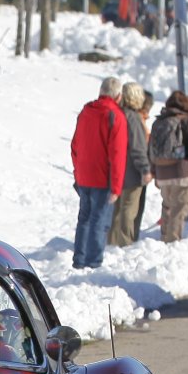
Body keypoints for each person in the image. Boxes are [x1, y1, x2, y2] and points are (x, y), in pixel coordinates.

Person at [70, 75, 128, 270]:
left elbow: (75, 145)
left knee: (84, 219)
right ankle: (93, 262)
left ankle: (80, 260)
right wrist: (117, 186)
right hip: (103, 178)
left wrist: (78, 171)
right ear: (118, 96)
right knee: (99, 221)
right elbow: (117, 154)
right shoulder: (115, 116)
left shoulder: (86, 111)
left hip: (84, 175)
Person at [149, 89, 188, 242]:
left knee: (167, 205)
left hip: (162, 172)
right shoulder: (186, 121)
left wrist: (154, 171)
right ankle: (172, 241)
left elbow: (151, 149)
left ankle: (164, 236)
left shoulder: (158, 122)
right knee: (179, 207)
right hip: (181, 171)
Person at [107, 84, 152, 247]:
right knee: (129, 209)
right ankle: (125, 243)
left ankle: (112, 241)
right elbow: (138, 147)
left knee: (117, 209)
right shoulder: (133, 118)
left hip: (115, 170)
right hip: (131, 171)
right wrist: (145, 169)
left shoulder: (115, 114)